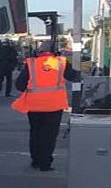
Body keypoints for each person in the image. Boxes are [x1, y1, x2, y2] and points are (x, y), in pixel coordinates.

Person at [12, 40, 79, 171]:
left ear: (39, 51)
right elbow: (74, 76)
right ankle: (45, 163)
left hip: (34, 106)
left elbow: (19, 85)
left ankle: (35, 160)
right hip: (54, 106)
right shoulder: (61, 62)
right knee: (49, 135)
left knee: (35, 132)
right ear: (56, 51)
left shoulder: (30, 63)